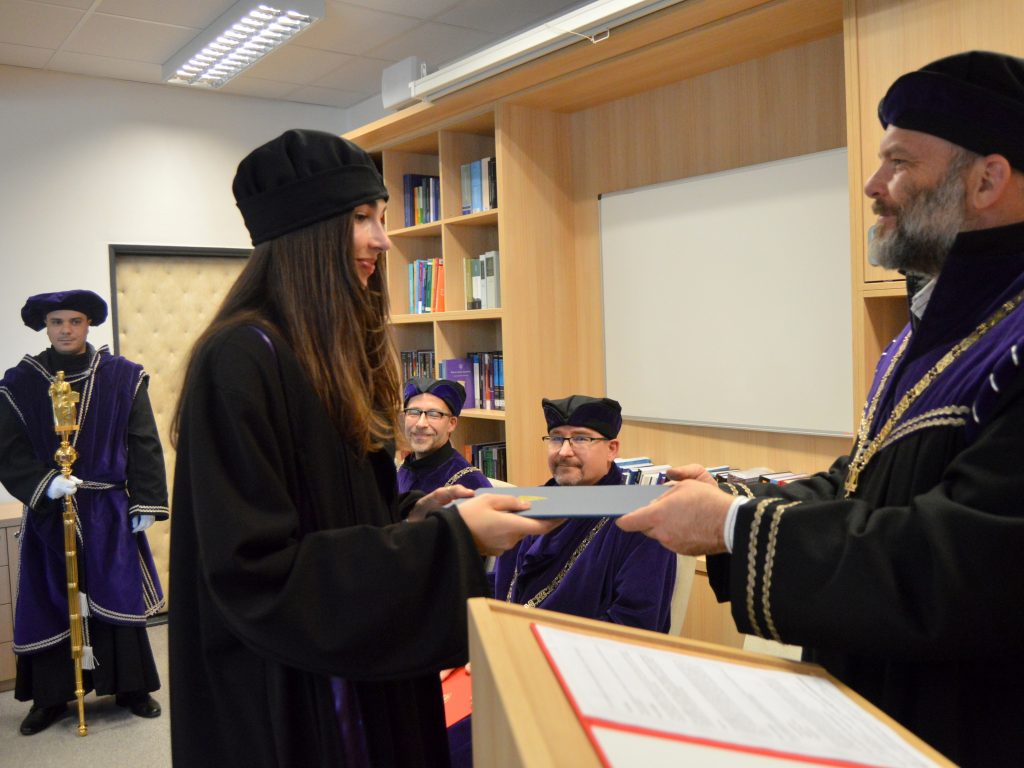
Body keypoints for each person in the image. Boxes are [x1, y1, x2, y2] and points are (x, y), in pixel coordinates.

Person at [617, 50, 1024, 767]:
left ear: (987, 179)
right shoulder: (926, 331)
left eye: (899, 162)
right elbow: (863, 480)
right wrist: (734, 499)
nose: (872, 184)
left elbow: (957, 560)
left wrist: (735, 526)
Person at [168, 129, 555, 768]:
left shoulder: (333, 352)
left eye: (381, 217)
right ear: (307, 233)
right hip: (297, 692)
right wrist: (451, 542)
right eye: (361, 218)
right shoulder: (240, 360)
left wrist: (415, 517)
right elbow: (255, 571)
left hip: (358, 663)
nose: (382, 239)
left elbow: (333, 517)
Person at [446, 395, 678, 767]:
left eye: (581, 438)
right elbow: (500, 588)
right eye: (556, 438)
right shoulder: (531, 503)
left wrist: (521, 659)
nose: (565, 451)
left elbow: (634, 631)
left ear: (612, 449)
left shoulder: (641, 520)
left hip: (582, 690)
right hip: (504, 666)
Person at [0, 289, 167, 735]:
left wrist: (146, 501)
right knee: (50, 599)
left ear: (88, 323)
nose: (66, 330)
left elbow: (143, 442)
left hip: (107, 508)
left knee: (116, 592)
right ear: (45, 326)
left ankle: (131, 688)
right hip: (49, 510)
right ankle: (51, 697)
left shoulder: (122, 376)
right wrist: (45, 483)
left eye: (74, 321)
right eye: (57, 322)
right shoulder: (21, 382)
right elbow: (8, 450)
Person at [397, 377, 491, 494]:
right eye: (414, 412)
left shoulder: (471, 483)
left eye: (433, 414)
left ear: (451, 424)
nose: (421, 424)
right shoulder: (401, 471)